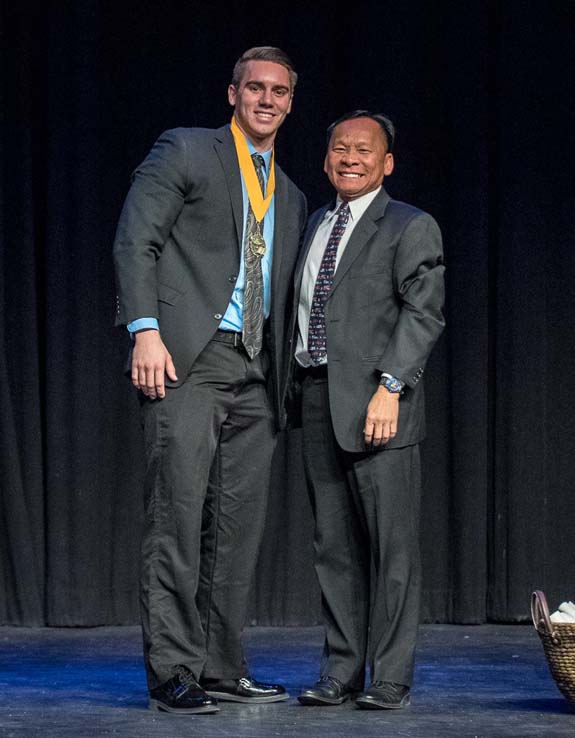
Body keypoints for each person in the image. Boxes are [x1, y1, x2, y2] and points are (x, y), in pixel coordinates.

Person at [112, 46, 306, 715]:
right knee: (176, 518)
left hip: (258, 371)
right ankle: (173, 669)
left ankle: (221, 665)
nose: (266, 99)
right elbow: (136, 239)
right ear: (232, 94)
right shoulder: (188, 151)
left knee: (237, 529)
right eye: (254, 88)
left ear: (290, 101)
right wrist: (144, 328)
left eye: (278, 91)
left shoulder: (296, 193)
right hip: (189, 358)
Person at [293, 111, 445, 710]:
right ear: (327, 158)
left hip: (380, 404)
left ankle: (390, 677)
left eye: (363, 149)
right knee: (334, 548)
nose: (349, 157)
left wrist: (391, 387)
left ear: (387, 163)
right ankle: (341, 670)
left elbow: (423, 313)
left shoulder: (410, 225)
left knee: (392, 549)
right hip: (315, 399)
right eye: (339, 148)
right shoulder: (313, 223)